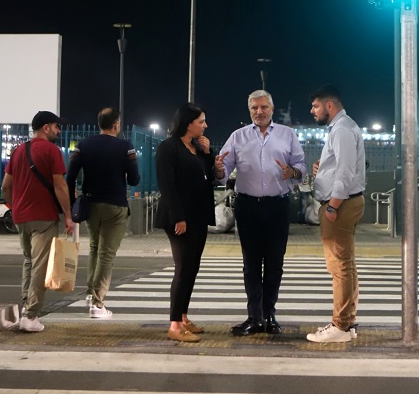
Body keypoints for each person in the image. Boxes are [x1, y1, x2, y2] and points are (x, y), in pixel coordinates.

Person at [218, 90, 307, 337]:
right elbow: (224, 168)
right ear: (250, 111)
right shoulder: (238, 136)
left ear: (272, 108)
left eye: (264, 107)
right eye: (255, 108)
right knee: (251, 264)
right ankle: (254, 317)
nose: (259, 112)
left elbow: (301, 165)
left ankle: (269, 314)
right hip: (247, 206)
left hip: (278, 206)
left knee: (275, 263)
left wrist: (293, 172)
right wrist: (218, 170)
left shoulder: (287, 135)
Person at [155, 103, 222, 343]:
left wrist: (208, 154)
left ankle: (183, 317)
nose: (205, 125)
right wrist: (178, 217)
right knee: (183, 268)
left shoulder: (195, 148)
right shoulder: (168, 147)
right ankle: (174, 324)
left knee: (193, 267)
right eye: (201, 121)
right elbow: (167, 185)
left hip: (198, 215)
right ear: (188, 123)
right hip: (180, 217)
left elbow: (208, 178)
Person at [1, 110, 74, 333]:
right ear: (45, 128)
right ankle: (31, 315)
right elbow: (60, 186)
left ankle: (26, 306)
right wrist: (68, 216)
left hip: (21, 217)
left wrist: (14, 207)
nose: (58, 130)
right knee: (40, 266)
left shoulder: (19, 150)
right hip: (44, 216)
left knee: (29, 262)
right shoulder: (52, 151)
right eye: (56, 126)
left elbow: (5, 186)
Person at [66, 107, 140, 319]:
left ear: (99, 124)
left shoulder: (83, 145)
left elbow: (70, 177)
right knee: (107, 254)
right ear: (116, 125)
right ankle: (98, 304)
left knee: (95, 248)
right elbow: (134, 180)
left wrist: (71, 205)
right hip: (115, 206)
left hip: (90, 204)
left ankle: (90, 293)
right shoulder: (126, 147)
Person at [306, 84, 366, 343]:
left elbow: (345, 171)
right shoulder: (343, 127)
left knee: (339, 265)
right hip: (345, 202)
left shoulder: (341, 129)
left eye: (316, 106)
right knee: (347, 264)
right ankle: (348, 321)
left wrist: (333, 205)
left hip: (341, 205)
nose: (313, 111)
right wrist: (322, 169)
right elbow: (338, 166)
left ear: (329, 105)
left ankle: (339, 326)